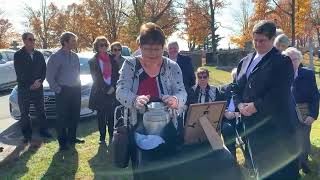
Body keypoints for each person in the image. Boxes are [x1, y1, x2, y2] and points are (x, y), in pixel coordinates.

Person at [116, 22, 187, 180]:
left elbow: (182, 92)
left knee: (168, 170)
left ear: (164, 47)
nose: (152, 53)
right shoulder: (130, 64)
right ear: (139, 46)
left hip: (168, 127)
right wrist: (135, 99)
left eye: (157, 49)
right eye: (147, 48)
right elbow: (120, 90)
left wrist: (175, 100)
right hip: (138, 126)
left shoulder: (172, 66)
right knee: (143, 171)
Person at [234, 20, 301, 180]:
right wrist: (239, 104)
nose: (258, 44)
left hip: (275, 127)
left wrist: (256, 106)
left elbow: (280, 92)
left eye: (262, 40)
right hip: (252, 127)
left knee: (279, 171)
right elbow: (236, 87)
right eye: (255, 40)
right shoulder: (245, 61)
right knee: (260, 168)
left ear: (272, 40)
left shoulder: (281, 61)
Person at [46, 32, 85, 151]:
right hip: (63, 90)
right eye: (73, 41)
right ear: (65, 42)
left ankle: (72, 138)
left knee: (75, 116)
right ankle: (62, 143)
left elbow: (78, 72)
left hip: (75, 90)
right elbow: (49, 77)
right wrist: (58, 90)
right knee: (62, 117)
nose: (75, 43)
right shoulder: (55, 57)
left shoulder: (75, 56)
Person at [283, 47, 319, 174]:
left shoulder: (308, 74)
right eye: (288, 59)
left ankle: (303, 162)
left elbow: (315, 95)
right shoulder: (279, 76)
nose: (292, 62)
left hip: (304, 112)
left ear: (299, 60)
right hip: (286, 114)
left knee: (304, 139)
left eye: (295, 59)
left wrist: (313, 115)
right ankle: (294, 167)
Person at [13, 32, 52, 143]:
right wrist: (31, 83)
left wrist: (40, 81)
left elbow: (44, 70)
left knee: (41, 111)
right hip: (24, 88)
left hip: (38, 88)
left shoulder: (39, 54)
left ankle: (44, 131)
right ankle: (27, 135)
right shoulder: (18, 55)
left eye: (34, 39)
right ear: (24, 41)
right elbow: (20, 72)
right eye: (30, 39)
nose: (33, 41)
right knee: (25, 113)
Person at [88, 37, 119, 145]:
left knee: (111, 115)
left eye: (106, 45)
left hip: (112, 91)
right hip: (100, 92)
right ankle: (102, 137)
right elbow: (96, 78)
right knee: (101, 116)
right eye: (101, 45)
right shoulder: (93, 61)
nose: (104, 47)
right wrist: (106, 88)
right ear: (97, 47)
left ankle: (111, 135)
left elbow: (116, 74)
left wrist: (113, 87)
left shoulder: (112, 58)